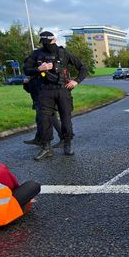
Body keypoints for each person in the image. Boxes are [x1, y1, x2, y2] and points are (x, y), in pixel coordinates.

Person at [23, 30, 88, 160]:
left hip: (62, 90)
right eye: (45, 43)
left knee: (66, 119)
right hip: (45, 91)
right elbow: (26, 69)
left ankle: (67, 145)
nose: (48, 45)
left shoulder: (63, 53)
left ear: (54, 40)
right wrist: (39, 69)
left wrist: (76, 81)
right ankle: (47, 148)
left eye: (49, 42)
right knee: (44, 120)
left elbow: (83, 67)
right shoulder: (37, 54)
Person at [21, 74, 62, 147]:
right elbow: (30, 90)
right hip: (38, 100)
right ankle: (39, 139)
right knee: (39, 120)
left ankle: (63, 138)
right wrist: (26, 83)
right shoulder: (32, 75)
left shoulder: (43, 73)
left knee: (53, 119)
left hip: (47, 101)